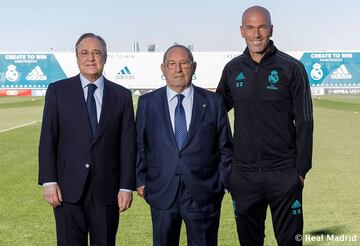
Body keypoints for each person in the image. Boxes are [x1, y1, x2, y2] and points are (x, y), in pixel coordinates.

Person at [216, 6, 313, 246]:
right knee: (249, 241)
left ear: (271, 29)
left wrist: (300, 170)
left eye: (262, 27)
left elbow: (305, 120)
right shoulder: (233, 69)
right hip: (244, 175)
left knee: (291, 241)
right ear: (242, 31)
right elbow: (216, 114)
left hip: (283, 172)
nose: (256, 34)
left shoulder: (292, 68)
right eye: (250, 27)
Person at [38, 33, 136, 245]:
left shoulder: (121, 96)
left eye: (96, 52)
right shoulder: (58, 91)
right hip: (67, 191)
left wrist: (126, 186)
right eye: (84, 53)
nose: (90, 58)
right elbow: (48, 140)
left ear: (105, 57)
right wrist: (49, 181)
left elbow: (127, 146)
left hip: (107, 192)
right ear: (77, 57)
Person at [136, 45, 232, 246]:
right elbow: (140, 146)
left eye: (184, 63)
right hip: (162, 192)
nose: (177, 69)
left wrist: (221, 185)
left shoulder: (213, 102)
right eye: (171, 64)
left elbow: (225, 147)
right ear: (163, 68)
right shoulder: (147, 103)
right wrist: (141, 181)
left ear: (194, 67)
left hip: (204, 193)